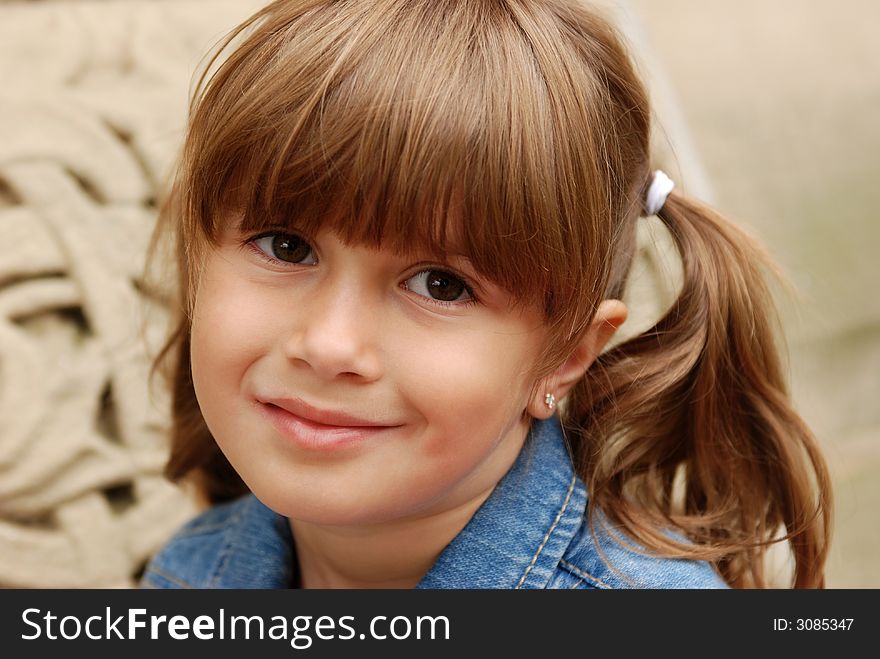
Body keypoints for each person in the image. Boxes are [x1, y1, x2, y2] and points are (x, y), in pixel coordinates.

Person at [140, 0, 831, 589]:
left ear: (564, 356)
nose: (328, 344)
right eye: (286, 246)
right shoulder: (187, 574)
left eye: (442, 284)